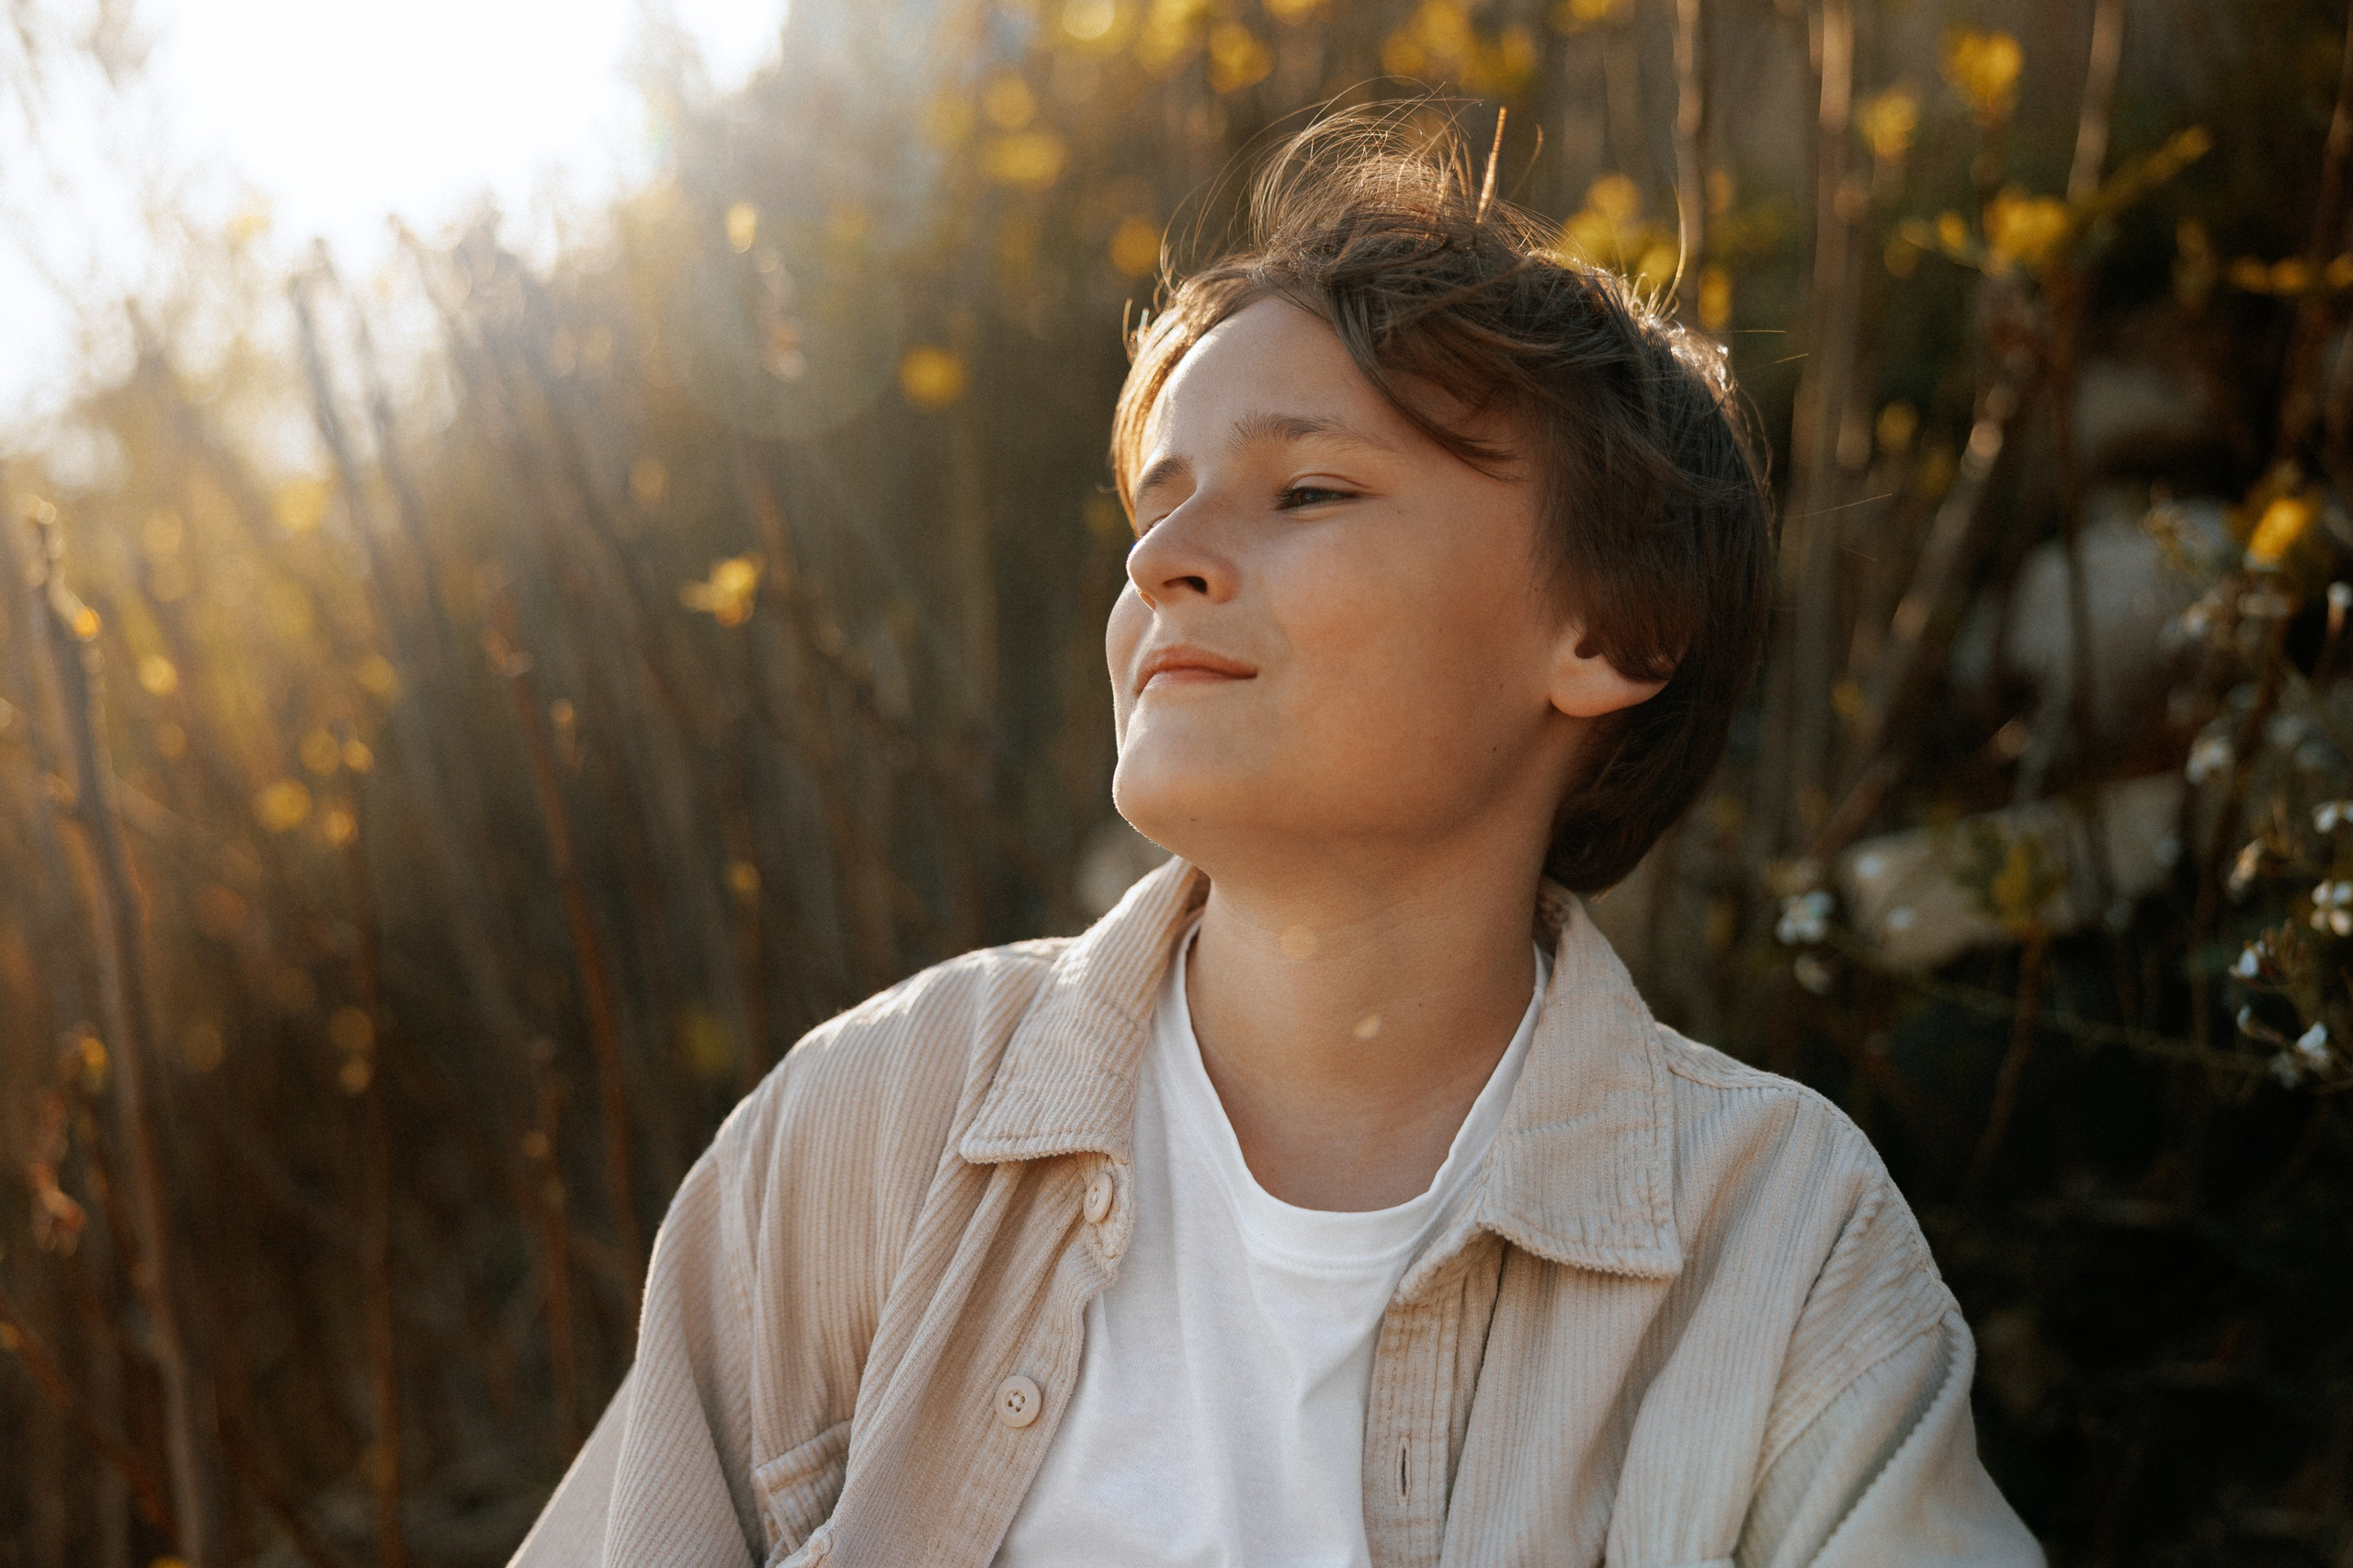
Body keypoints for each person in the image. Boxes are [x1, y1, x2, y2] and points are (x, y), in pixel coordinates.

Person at [509, 109, 2042, 1568]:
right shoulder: (869, 1131)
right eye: (1156, 507)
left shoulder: (1781, 1248)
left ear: (1608, 630)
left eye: (1305, 490)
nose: (1165, 558)